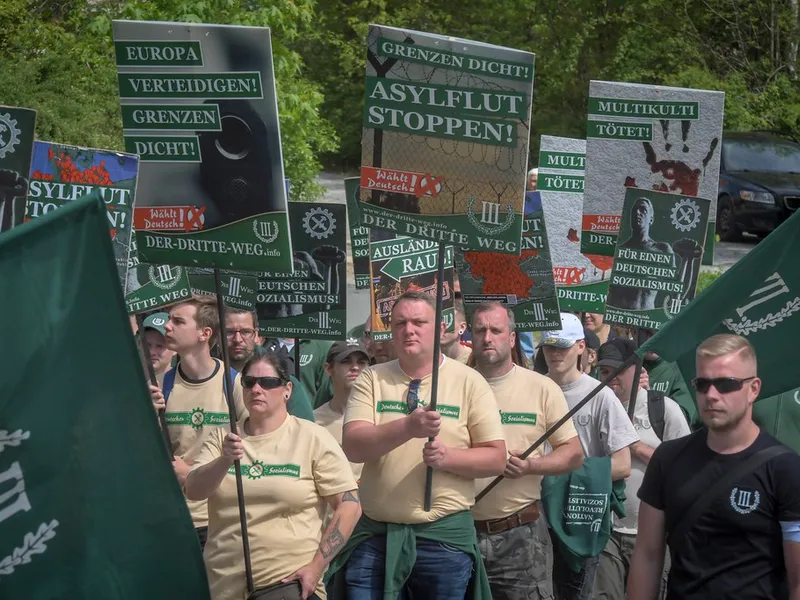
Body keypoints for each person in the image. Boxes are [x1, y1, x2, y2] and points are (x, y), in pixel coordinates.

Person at [335, 290, 507, 599]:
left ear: (440, 329)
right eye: (400, 323)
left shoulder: (469, 381)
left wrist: (448, 458)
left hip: (442, 540)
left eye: (419, 322)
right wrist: (407, 427)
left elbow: (496, 459)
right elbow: (355, 446)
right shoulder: (371, 379)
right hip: (376, 537)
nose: (408, 330)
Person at [628, 334, 800, 600]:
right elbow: (648, 555)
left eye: (726, 384)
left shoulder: (785, 468)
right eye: (702, 384)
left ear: (753, 389)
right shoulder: (668, 458)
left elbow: (797, 579)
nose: (711, 395)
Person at [184, 349, 361, 600]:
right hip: (224, 584)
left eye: (268, 383)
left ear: (287, 389)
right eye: (249, 382)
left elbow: (349, 506)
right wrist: (224, 460)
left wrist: (316, 567)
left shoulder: (312, 437)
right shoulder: (223, 436)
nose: (257, 389)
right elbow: (194, 490)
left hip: (286, 584)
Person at [471, 302, 583, 600]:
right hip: (458, 533)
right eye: (480, 330)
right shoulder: (452, 385)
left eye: (496, 330)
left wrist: (532, 466)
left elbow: (572, 452)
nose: (487, 337)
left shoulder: (541, 388)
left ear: (511, 338)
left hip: (521, 535)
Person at [539, 313, 639, 600]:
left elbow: (622, 464)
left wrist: (563, 474)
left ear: (581, 347)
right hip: (534, 519)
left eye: (562, 346)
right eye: (549, 347)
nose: (555, 353)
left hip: (578, 518)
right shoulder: (531, 387)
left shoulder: (599, 395)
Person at [592, 338, 691, 600]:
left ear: (638, 370)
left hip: (651, 534)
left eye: (619, 369)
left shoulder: (663, 409)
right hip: (606, 532)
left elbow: (685, 467)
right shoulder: (595, 408)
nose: (611, 377)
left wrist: (636, 447)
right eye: (604, 371)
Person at [149, 296, 248, 549]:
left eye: (177, 321)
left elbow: (255, 447)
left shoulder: (234, 383)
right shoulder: (162, 386)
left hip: (222, 520)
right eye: (169, 320)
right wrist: (146, 417)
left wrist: (194, 472)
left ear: (204, 333)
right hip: (173, 517)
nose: (167, 327)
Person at [227, 310, 316, 422]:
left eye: (245, 332)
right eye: (229, 332)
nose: (238, 339)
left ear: (256, 335)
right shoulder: (205, 375)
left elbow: (305, 431)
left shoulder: (281, 377)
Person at [314, 338, 370, 481]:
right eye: (346, 361)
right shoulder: (314, 422)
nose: (355, 367)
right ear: (328, 369)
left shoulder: (379, 417)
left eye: (361, 362)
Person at [139, 311, 175, 386]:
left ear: (175, 349)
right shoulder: (125, 384)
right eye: (147, 345)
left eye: (160, 346)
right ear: (139, 344)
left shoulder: (181, 385)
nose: (152, 352)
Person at [441, 300, 472, 364]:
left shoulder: (473, 359)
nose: (441, 328)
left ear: (462, 327)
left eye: (447, 321)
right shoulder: (426, 359)